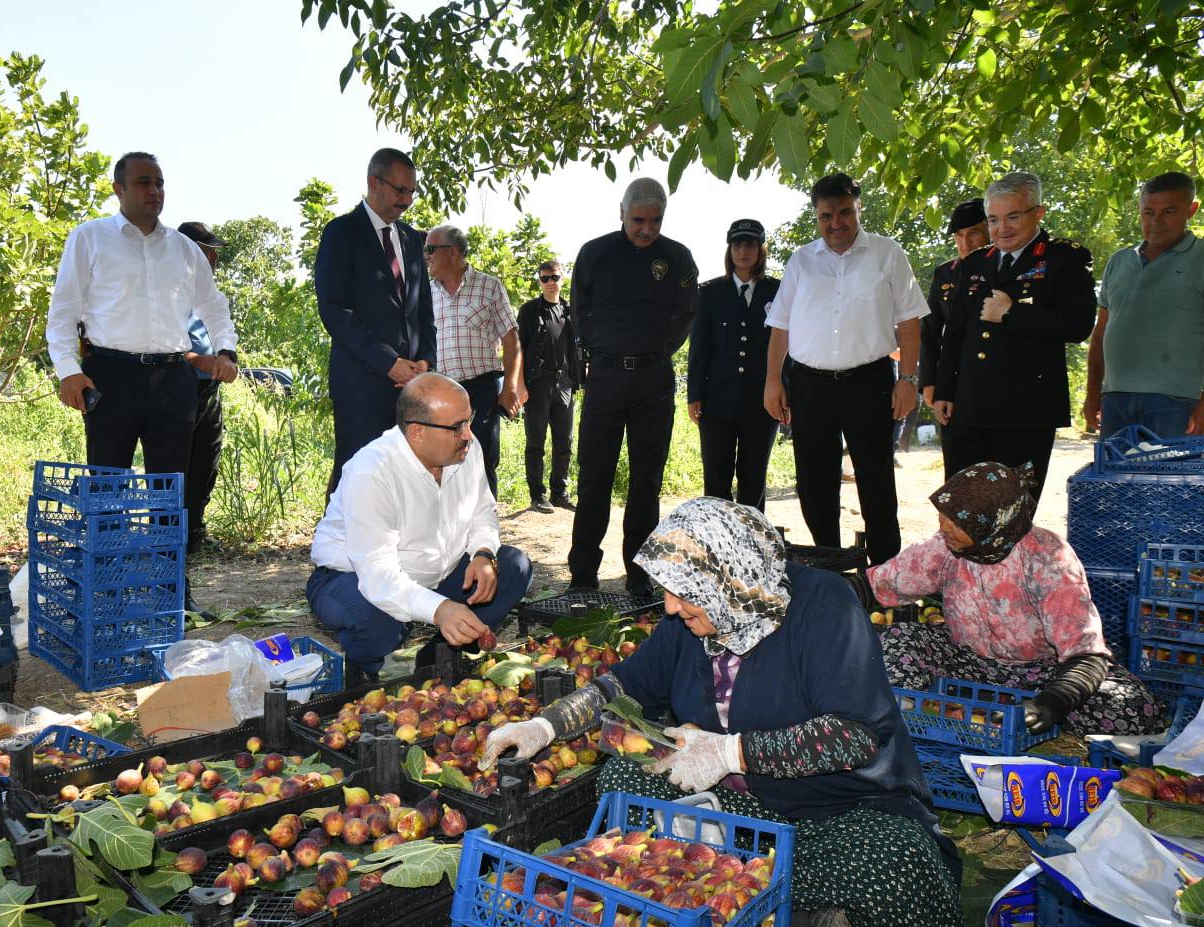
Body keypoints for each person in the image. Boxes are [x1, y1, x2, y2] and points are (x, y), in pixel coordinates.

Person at [482, 498, 961, 927]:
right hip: (737, 810)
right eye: (667, 590)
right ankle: (743, 891)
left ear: (729, 578)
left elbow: (854, 736)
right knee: (623, 777)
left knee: (898, 857)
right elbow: (621, 685)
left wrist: (730, 752)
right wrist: (545, 726)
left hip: (834, 814)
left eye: (682, 591)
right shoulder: (692, 621)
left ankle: (793, 905)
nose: (669, 607)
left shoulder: (823, 607)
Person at [46, 153, 238, 617]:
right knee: (108, 487)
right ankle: (109, 597)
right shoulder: (90, 238)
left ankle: (171, 594)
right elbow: (64, 310)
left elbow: (214, 305)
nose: (154, 191)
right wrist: (69, 370)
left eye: (159, 183)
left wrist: (225, 350)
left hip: (174, 380)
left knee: (169, 492)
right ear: (119, 188)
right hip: (111, 377)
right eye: (142, 182)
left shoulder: (183, 249)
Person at [850, 461, 1165, 736]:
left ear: (994, 524)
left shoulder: (1047, 557)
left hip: (1040, 674)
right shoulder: (943, 547)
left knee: (1135, 709)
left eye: (957, 520)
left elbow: (1086, 654)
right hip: (964, 663)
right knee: (898, 640)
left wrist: (1051, 703)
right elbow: (877, 584)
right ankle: (943, 711)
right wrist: (815, 588)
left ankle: (1014, 713)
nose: (943, 526)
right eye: (943, 515)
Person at [305, 373, 533, 674]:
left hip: (437, 573)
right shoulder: (372, 472)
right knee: (378, 622)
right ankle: (363, 672)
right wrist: (439, 609)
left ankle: (440, 657)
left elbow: (483, 512)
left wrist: (483, 554)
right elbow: (378, 577)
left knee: (514, 566)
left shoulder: (466, 448)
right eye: (456, 427)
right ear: (416, 432)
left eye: (469, 420)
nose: (468, 434)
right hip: (350, 578)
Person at [764, 173, 926, 565]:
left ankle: (885, 572)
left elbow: (909, 322)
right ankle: (833, 566)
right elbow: (780, 326)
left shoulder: (889, 254)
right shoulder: (802, 260)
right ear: (816, 216)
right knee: (815, 484)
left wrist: (907, 379)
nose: (835, 223)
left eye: (844, 213)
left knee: (876, 481)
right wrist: (772, 381)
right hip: (809, 386)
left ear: (858, 209)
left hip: (869, 383)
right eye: (825, 216)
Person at [568, 178, 699, 598]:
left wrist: (656, 350)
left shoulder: (677, 258)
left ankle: (640, 574)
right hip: (604, 378)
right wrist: (598, 352)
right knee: (594, 478)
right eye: (638, 220)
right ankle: (583, 575)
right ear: (621, 212)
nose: (647, 229)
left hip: (653, 380)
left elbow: (686, 314)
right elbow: (578, 312)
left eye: (655, 220)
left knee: (647, 481)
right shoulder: (595, 253)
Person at [933, 171, 1096, 495]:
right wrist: (944, 389)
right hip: (970, 405)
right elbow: (956, 332)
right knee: (964, 506)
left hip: (1026, 410)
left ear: (1038, 213)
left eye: (1013, 217)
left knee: (1013, 509)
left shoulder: (1064, 258)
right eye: (993, 219)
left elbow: (1078, 326)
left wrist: (1012, 313)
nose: (1001, 229)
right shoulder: (976, 262)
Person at [314, 148, 436, 489]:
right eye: (400, 190)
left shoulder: (413, 240)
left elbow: (424, 310)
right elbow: (334, 310)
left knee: (407, 480)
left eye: (412, 192)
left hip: (412, 386)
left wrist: (425, 360)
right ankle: (339, 544)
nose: (407, 200)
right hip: (361, 384)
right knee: (356, 477)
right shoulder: (341, 233)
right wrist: (388, 362)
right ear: (373, 182)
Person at [1084, 171, 1204, 438]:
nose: (1156, 221)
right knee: (1114, 479)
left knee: (1171, 481)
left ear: (1191, 210)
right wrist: (1093, 393)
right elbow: (1101, 333)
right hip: (1115, 400)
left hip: (1178, 402)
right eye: (1148, 212)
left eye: (1168, 212)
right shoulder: (1119, 261)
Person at [687, 219, 781, 508]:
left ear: (761, 249)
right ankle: (719, 544)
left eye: (750, 244)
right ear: (729, 250)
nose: (743, 250)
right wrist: (695, 395)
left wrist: (784, 391)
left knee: (753, 479)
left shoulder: (778, 291)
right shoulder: (710, 292)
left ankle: (752, 546)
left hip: (761, 401)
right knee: (716, 479)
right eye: (737, 244)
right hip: (717, 401)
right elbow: (699, 348)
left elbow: (788, 346)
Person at [425, 224, 525, 498]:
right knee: (442, 463)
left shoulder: (490, 287)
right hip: (443, 392)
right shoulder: (425, 294)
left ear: (454, 253)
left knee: (482, 460)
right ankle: (449, 533)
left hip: (483, 390)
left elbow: (511, 341)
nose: (426, 256)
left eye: (431, 249)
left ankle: (485, 533)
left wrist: (511, 387)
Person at [921, 201, 990, 476]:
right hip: (955, 382)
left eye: (974, 233)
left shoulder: (1003, 268)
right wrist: (928, 381)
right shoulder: (945, 273)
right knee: (958, 468)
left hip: (994, 379)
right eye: (959, 236)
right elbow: (930, 329)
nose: (966, 242)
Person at [175, 221, 229, 562]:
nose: (213, 257)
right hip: (178, 386)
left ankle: (195, 529)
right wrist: (203, 362)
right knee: (176, 466)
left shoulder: (207, 293)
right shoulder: (169, 287)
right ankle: (172, 536)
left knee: (205, 462)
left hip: (208, 388)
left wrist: (221, 360)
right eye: (208, 250)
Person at [517, 259, 582, 513]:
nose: (550, 283)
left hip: (564, 382)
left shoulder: (570, 311)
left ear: (562, 278)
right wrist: (519, 384)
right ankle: (537, 495)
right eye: (544, 278)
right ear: (539, 281)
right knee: (536, 441)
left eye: (554, 277)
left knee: (564, 441)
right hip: (538, 382)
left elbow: (579, 346)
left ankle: (559, 494)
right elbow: (518, 348)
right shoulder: (530, 310)